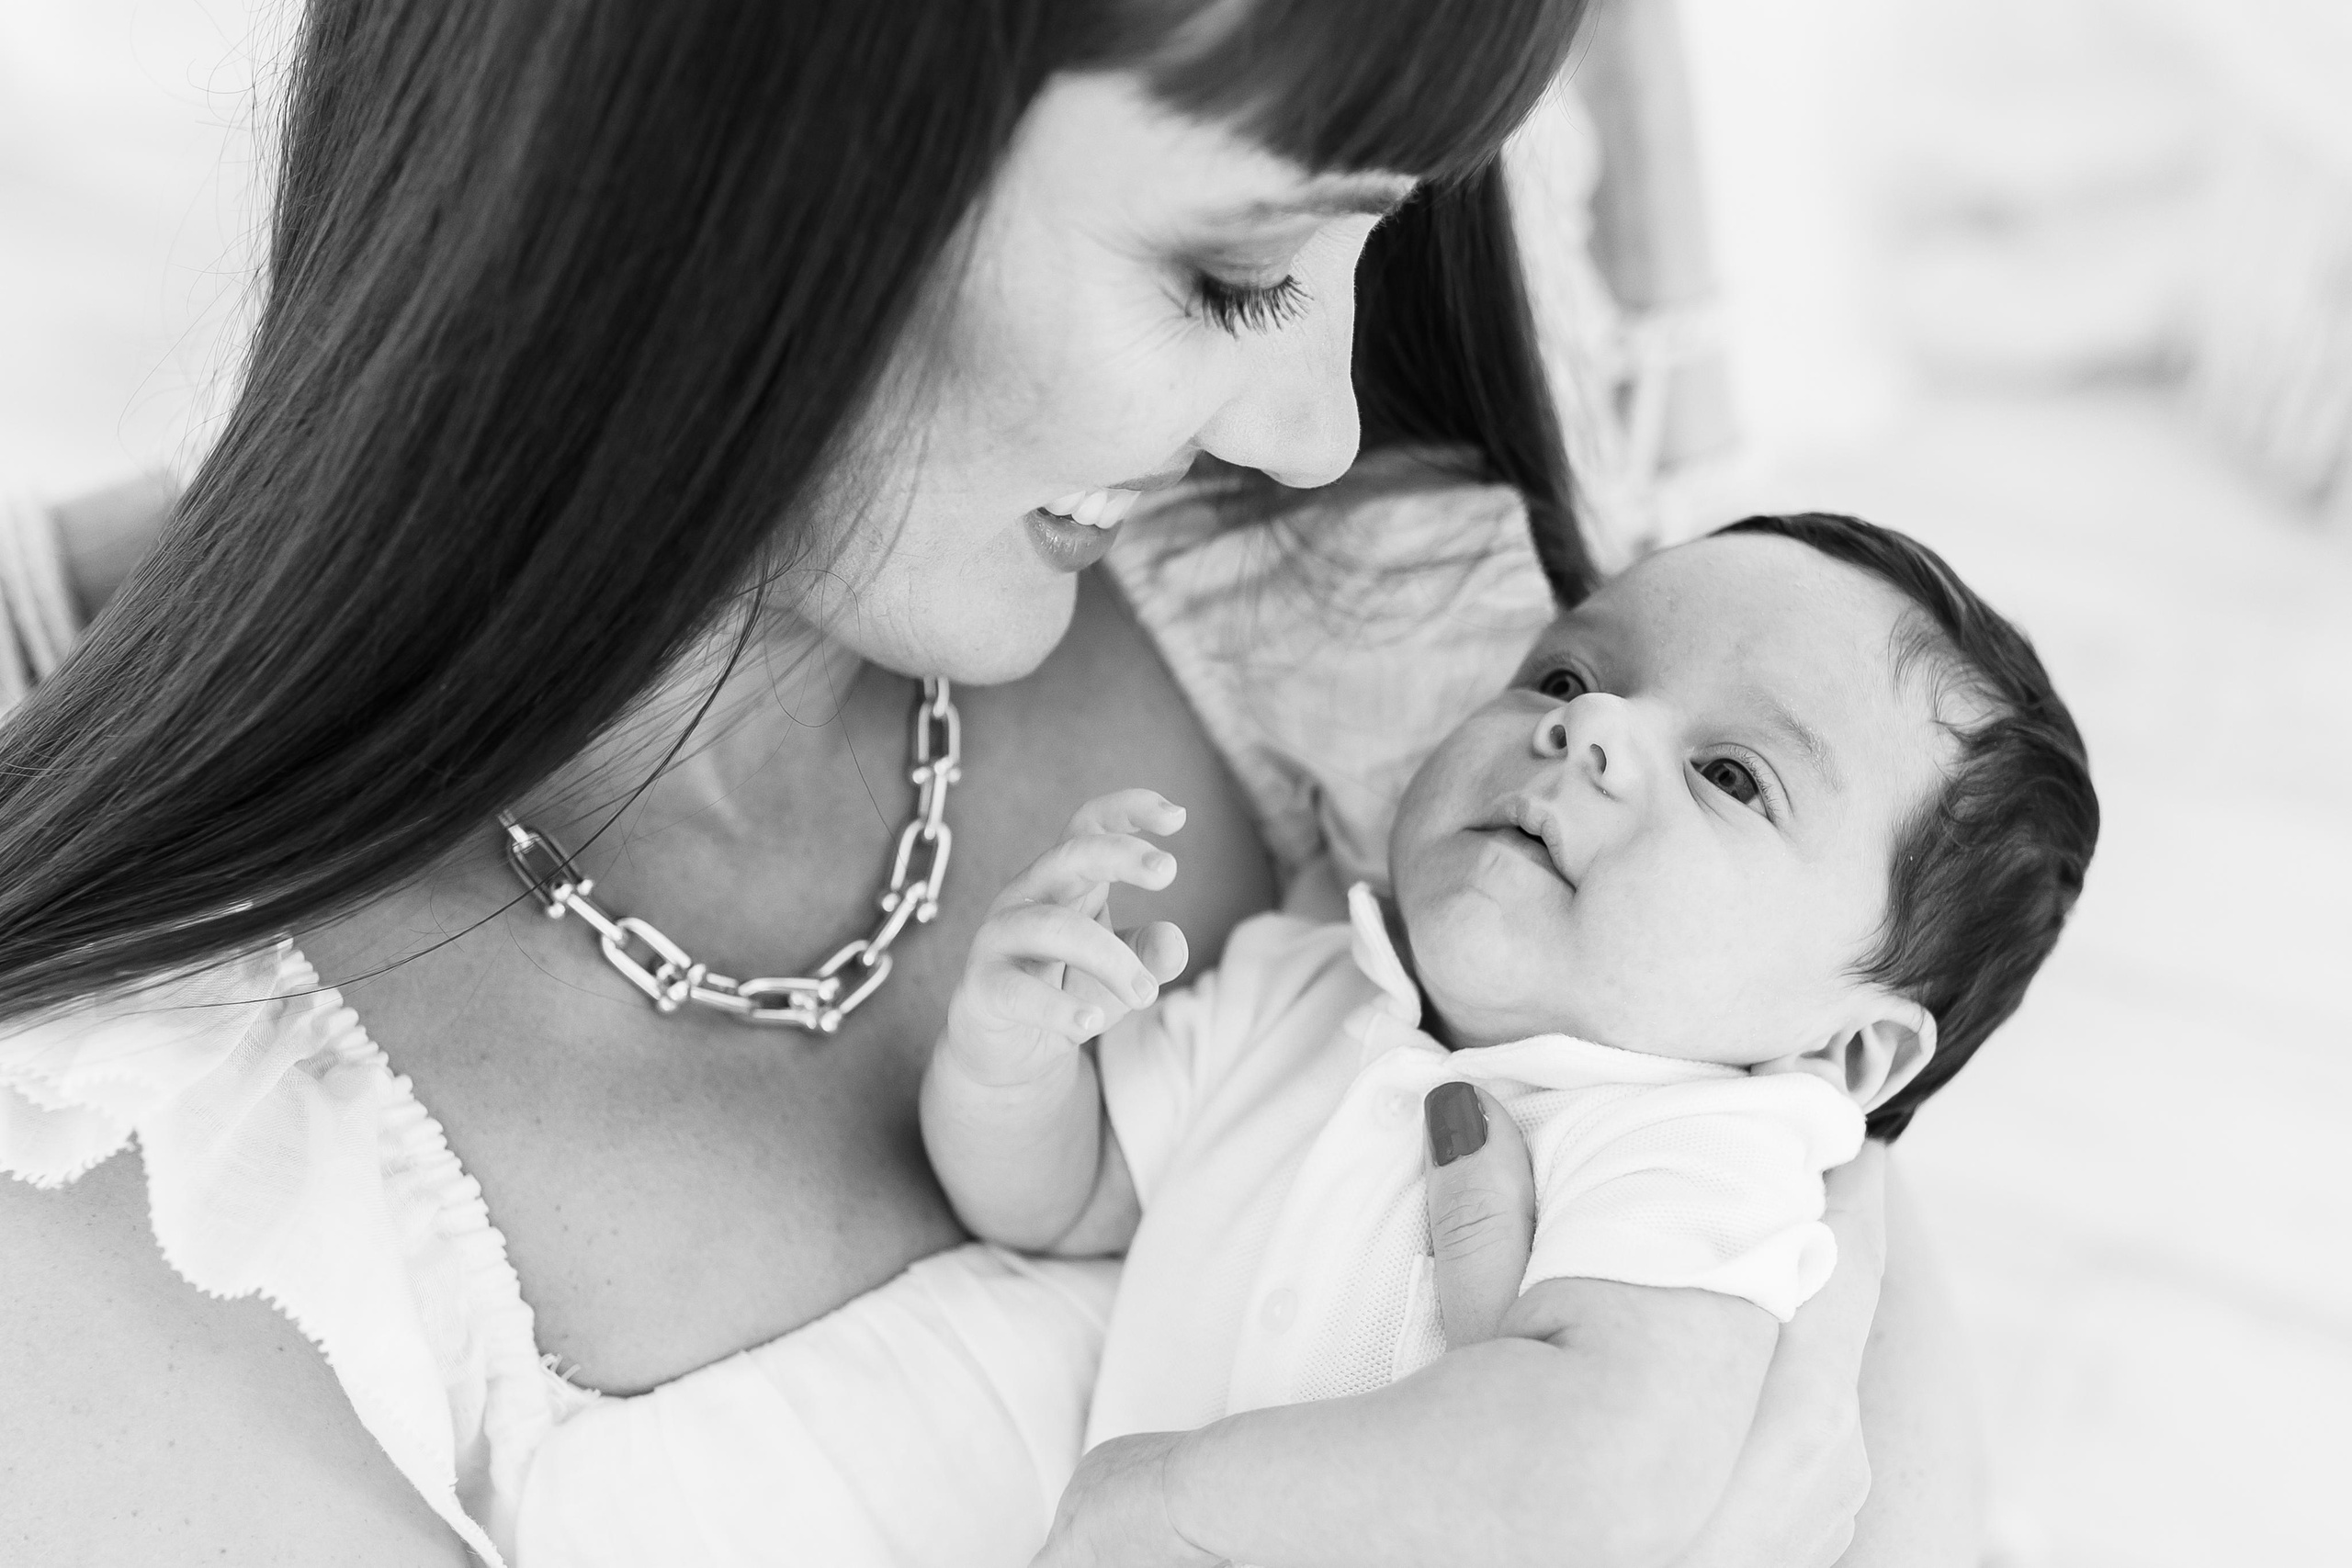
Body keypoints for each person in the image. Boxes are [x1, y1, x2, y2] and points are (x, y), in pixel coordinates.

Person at [0, 2, 1982, 1563]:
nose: (1312, 429)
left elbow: (1834, 1296)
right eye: (1228, 272)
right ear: (723, 159)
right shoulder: (166, 1193)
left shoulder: (1355, 627)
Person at [926, 513, 2097, 1564]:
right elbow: (1064, 1201)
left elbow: (1607, 1473)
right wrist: (1011, 1056)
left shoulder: (1698, 1151)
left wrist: (1177, 1499)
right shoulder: (1304, 984)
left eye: (1731, 775)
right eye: (1563, 674)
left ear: (1849, 1053)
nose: (1590, 726)